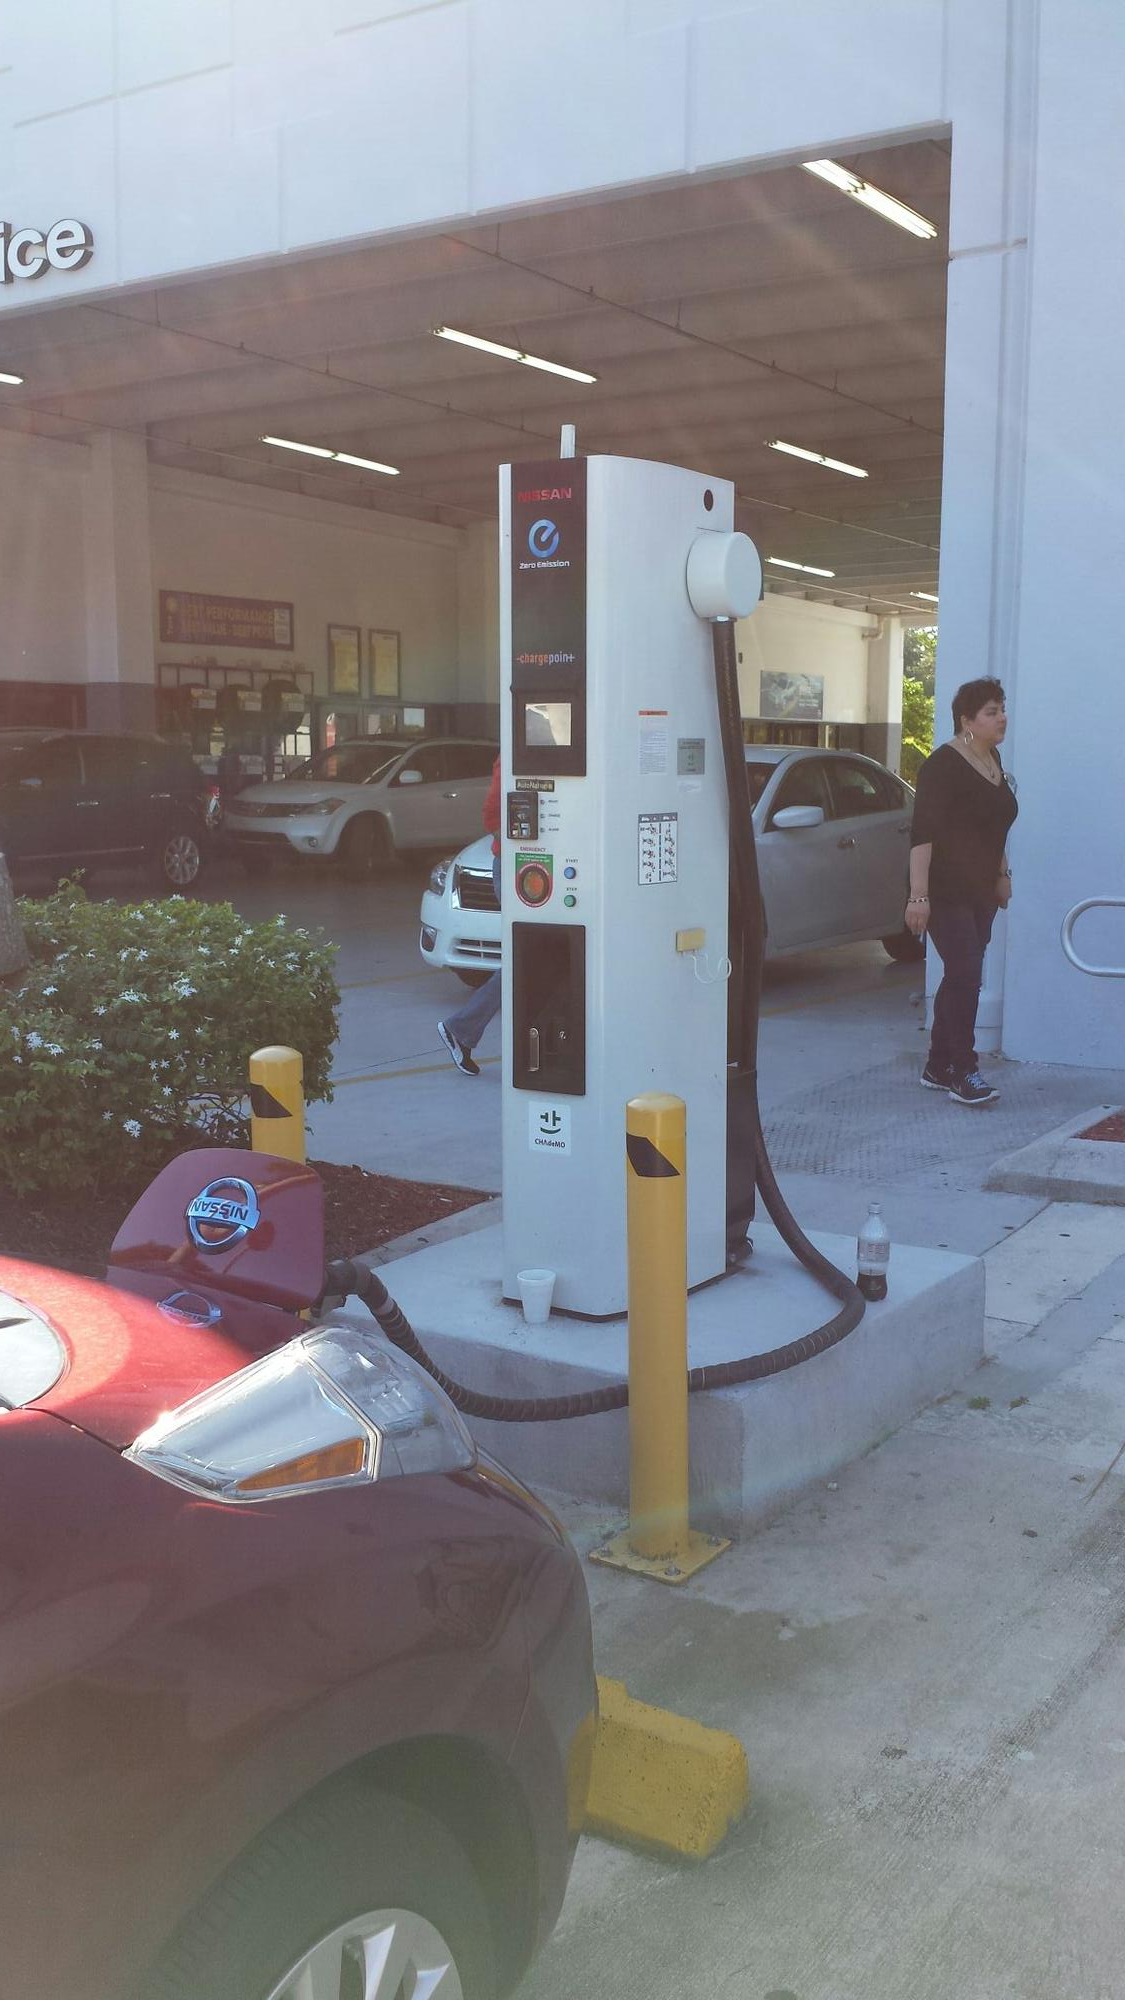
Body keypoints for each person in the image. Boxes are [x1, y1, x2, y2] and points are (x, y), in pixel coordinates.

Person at [906, 676, 1018, 1106]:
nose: (1002, 717)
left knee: (961, 977)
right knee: (967, 973)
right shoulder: (941, 766)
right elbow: (923, 835)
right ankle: (963, 1070)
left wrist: (1003, 873)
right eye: (992, 712)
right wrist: (918, 896)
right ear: (966, 720)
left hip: (981, 890)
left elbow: (995, 827)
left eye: (1002, 708)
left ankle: (937, 1064)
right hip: (944, 888)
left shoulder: (993, 758)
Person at [437, 755, 502, 1077]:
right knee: (528, 959)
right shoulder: (516, 759)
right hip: (521, 865)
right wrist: (520, 843)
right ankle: (461, 1028)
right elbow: (492, 814)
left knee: (532, 961)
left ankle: (461, 1029)